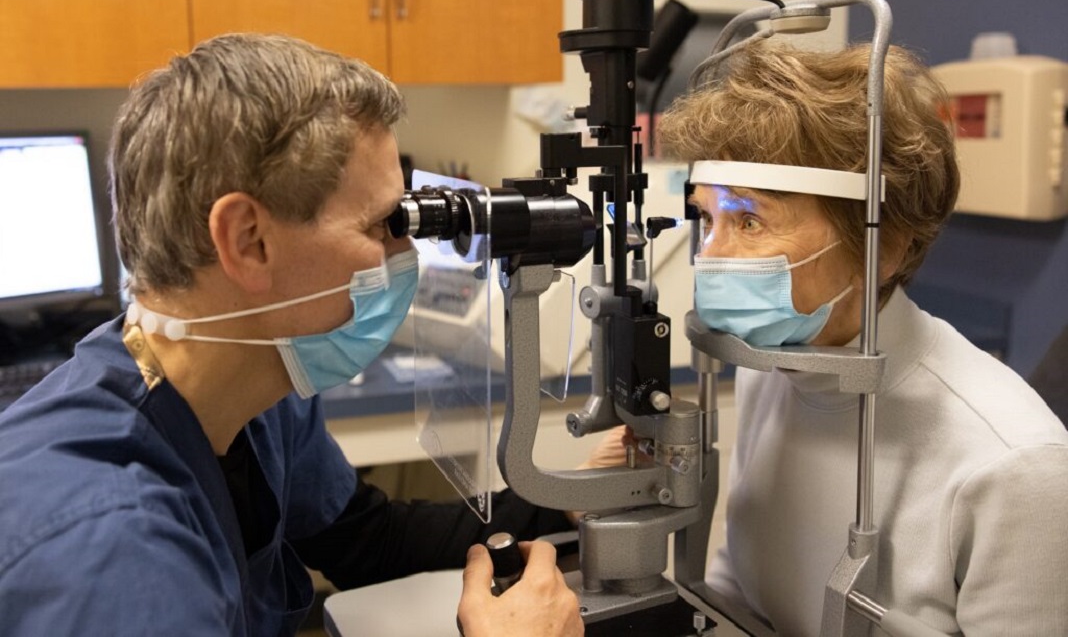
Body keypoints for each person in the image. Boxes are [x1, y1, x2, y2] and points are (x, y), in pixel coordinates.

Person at [0, 33, 583, 636]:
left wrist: (564, 498)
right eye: (385, 224)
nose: (406, 253)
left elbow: (364, 540)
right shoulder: (115, 556)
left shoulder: (249, 391)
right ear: (248, 240)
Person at [656, 39, 1068, 635]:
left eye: (749, 220)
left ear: (885, 247)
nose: (710, 256)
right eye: (707, 219)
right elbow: (739, 587)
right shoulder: (767, 369)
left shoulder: (1016, 468)